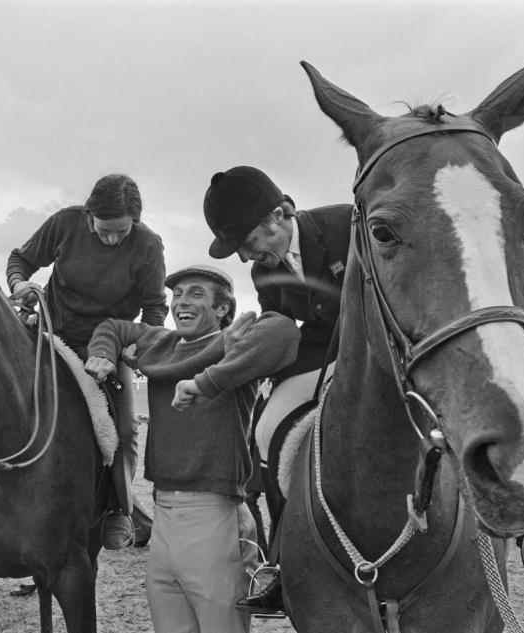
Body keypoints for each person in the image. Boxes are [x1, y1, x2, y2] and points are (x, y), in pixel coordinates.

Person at [86, 265, 300, 633]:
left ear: (221, 310)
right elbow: (113, 327)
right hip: (163, 513)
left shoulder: (235, 346)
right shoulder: (161, 342)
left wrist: (211, 370)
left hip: (214, 512)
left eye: (197, 294)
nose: (182, 302)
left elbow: (283, 330)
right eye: (178, 294)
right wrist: (104, 352)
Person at [202, 165, 351, 612]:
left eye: (248, 245)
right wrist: (252, 339)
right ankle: (284, 562)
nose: (247, 259)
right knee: (266, 429)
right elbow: (280, 326)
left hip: (386, 345)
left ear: (280, 215)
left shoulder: (348, 224)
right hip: (320, 351)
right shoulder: (263, 274)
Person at [6, 173, 168, 548]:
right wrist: (19, 285)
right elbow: (21, 259)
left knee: (124, 429)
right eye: (104, 231)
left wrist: (138, 345)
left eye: (121, 233)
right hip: (52, 335)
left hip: (110, 349)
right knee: (3, 392)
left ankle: (119, 509)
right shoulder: (65, 223)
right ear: (89, 216)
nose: (112, 239)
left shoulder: (147, 246)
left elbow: (155, 308)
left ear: (136, 224)